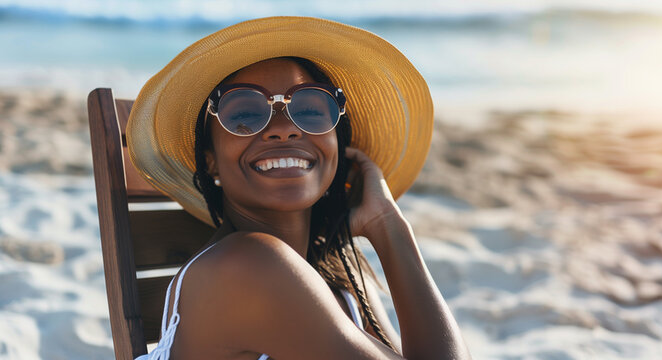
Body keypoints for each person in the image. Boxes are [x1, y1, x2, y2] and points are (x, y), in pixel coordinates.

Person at [126, 16, 472, 359]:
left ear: (339, 145)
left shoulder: (337, 269)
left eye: (309, 109)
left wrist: (385, 221)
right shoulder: (246, 266)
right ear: (211, 161)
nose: (283, 129)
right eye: (244, 114)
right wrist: (392, 231)